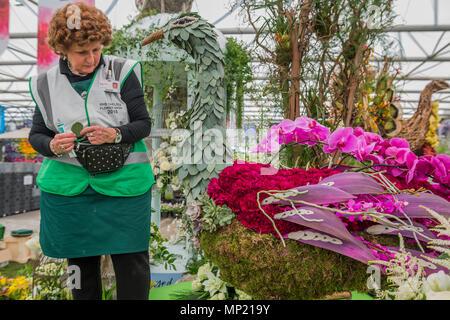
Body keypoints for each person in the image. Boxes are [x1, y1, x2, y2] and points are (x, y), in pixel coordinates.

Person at [28, 2, 155, 300]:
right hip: (70, 191)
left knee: (132, 261)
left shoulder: (122, 71)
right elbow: (37, 134)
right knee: (80, 266)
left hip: (124, 186)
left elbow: (143, 124)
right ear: (63, 50)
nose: (92, 58)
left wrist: (116, 133)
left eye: (96, 50)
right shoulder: (45, 84)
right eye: (82, 53)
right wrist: (51, 144)